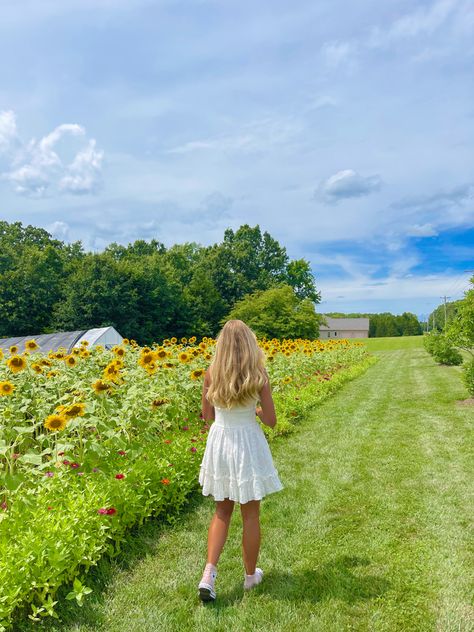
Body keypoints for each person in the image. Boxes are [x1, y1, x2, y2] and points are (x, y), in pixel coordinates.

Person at [197, 319, 284, 602]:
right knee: (250, 514)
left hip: (221, 442)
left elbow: (207, 416)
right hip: (247, 443)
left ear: (221, 345)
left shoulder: (211, 373)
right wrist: (256, 411)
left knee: (222, 512)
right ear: (250, 344)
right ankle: (250, 576)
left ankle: (209, 574)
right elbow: (271, 421)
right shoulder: (259, 374)